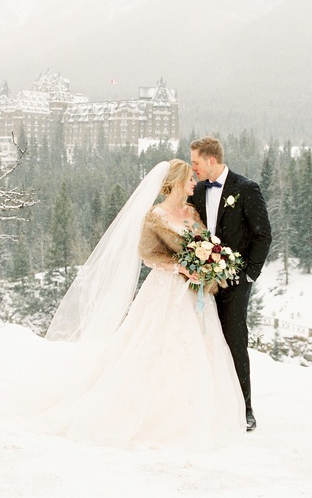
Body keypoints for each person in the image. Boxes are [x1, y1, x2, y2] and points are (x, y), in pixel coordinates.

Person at [37, 159, 245, 449]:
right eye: (189, 180)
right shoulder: (155, 217)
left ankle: (195, 406)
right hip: (165, 289)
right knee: (154, 344)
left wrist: (208, 263)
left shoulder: (193, 212)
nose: (194, 184)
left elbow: (205, 242)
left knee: (200, 346)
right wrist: (180, 267)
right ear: (174, 183)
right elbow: (148, 255)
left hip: (194, 292)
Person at [188, 137, 272, 432]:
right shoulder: (197, 190)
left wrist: (249, 274)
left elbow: (263, 235)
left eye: (196, 162)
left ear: (211, 160)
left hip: (235, 281)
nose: (193, 168)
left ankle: (245, 407)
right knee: (202, 340)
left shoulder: (246, 189)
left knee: (235, 340)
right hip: (202, 280)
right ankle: (209, 402)